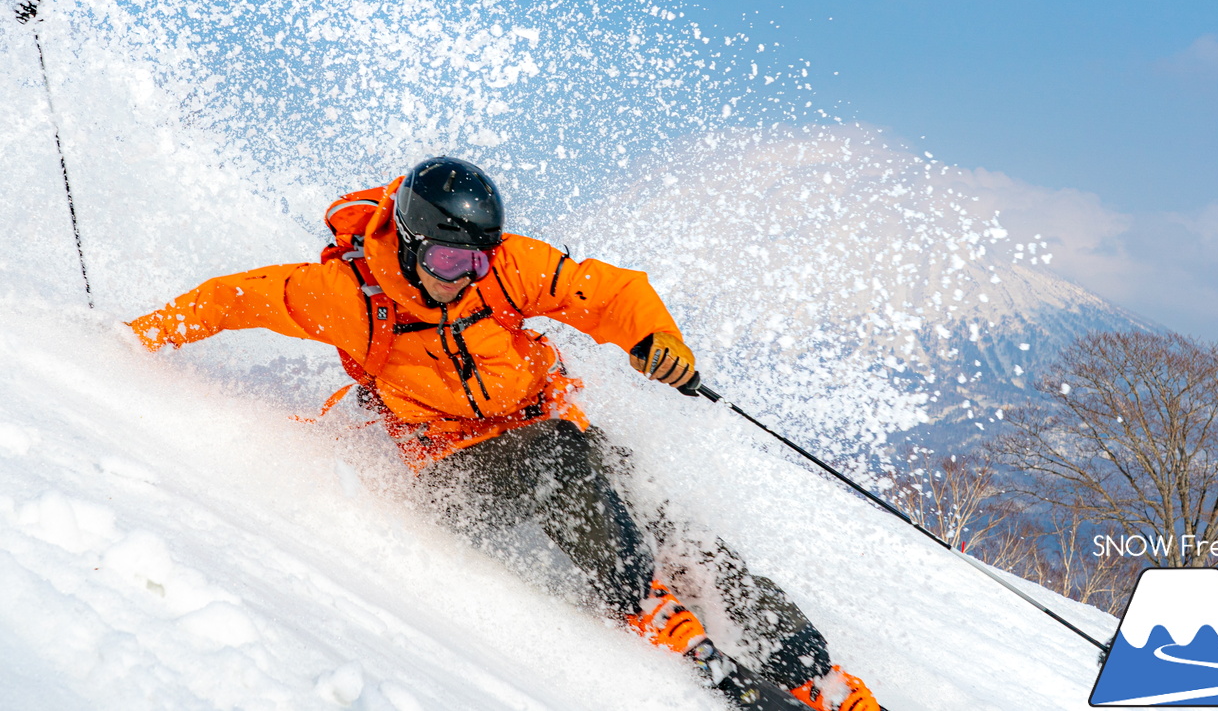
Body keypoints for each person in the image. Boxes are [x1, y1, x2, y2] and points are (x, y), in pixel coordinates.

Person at [129, 157, 879, 711]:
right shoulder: (347, 296)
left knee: (676, 526)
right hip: (455, 470)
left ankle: (817, 671)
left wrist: (659, 344)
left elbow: (609, 294)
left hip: (552, 432)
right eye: (456, 259)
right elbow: (230, 301)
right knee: (557, 460)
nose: (472, 273)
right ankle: (649, 607)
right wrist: (135, 342)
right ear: (415, 245)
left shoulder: (501, 270)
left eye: (481, 256)